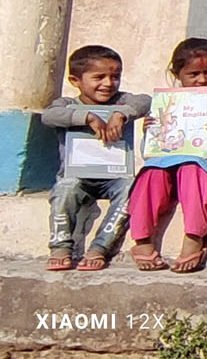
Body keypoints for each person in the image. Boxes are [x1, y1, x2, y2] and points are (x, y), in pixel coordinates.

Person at [127, 38, 207, 274]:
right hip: (165, 172)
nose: (202, 80)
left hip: (205, 173)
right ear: (177, 72)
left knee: (191, 167)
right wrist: (151, 133)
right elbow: (148, 152)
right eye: (193, 74)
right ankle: (142, 240)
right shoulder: (163, 105)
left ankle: (194, 236)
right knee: (150, 172)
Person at [43, 45, 147, 271]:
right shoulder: (67, 105)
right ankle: (60, 246)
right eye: (99, 77)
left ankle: (100, 247)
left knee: (131, 188)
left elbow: (145, 101)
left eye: (115, 77)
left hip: (114, 177)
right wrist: (87, 116)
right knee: (65, 190)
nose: (108, 84)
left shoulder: (122, 101)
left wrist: (120, 114)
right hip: (78, 176)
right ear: (75, 80)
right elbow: (49, 116)